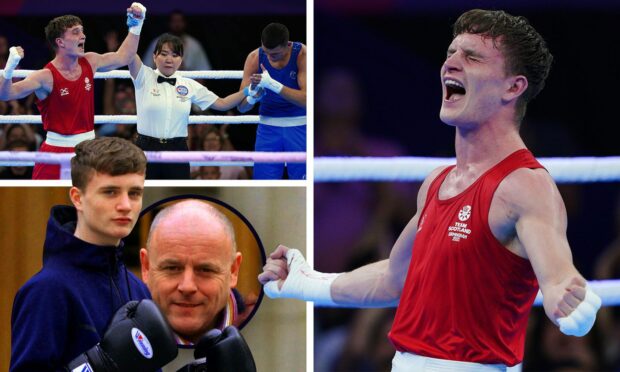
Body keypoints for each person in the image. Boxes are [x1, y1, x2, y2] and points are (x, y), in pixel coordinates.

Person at [260, 9, 602, 371]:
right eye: (451, 53)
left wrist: (574, 305)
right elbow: (395, 277)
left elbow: (560, 278)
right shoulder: (437, 183)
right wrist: (305, 281)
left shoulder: (525, 184)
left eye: (471, 57)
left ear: (512, 87)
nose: (450, 64)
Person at [9, 137, 158, 370]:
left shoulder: (138, 289)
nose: (125, 205)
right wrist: (94, 366)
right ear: (78, 198)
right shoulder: (46, 290)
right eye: (110, 192)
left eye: (135, 193)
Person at [0, 3, 147, 179]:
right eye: (75, 32)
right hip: (54, 150)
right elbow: (6, 94)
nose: (83, 36)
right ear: (60, 42)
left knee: (88, 202)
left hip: (88, 148)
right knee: (43, 202)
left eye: (82, 31)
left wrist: (136, 25)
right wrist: (9, 69)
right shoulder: (45, 76)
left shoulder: (90, 61)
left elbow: (124, 56)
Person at [139, 199, 256, 371]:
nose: (187, 286)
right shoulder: (110, 327)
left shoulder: (271, 333)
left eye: (205, 270)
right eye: (172, 268)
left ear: (233, 271)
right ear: (146, 267)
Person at [128, 33, 256, 179]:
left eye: (175, 55)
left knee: (177, 198)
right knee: (145, 197)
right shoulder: (143, 76)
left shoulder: (189, 85)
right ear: (154, 56)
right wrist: (135, 26)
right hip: (146, 148)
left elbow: (223, 103)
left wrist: (248, 90)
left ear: (181, 60)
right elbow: (129, 54)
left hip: (178, 149)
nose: (169, 59)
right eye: (164, 54)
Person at [237, 22, 306, 180]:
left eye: (274, 54)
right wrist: (252, 96)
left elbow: (308, 100)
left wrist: (273, 85)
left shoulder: (302, 55)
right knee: (264, 184)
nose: (269, 57)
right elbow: (241, 107)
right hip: (268, 129)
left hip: (301, 126)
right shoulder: (255, 57)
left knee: (304, 184)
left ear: (287, 45)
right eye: (267, 52)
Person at [141, 10, 212, 72]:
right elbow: (146, 69)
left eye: (179, 21)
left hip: (187, 85)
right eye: (164, 54)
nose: (177, 24)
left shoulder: (194, 45)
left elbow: (202, 72)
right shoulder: (156, 43)